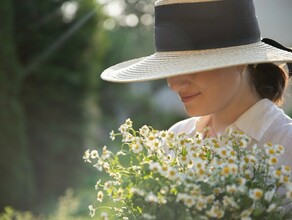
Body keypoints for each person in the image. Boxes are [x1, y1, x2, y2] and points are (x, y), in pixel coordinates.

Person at [100, 0, 292, 166]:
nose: (174, 85)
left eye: (192, 67)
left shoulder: (286, 144)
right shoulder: (178, 138)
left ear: (240, 62)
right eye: (170, 68)